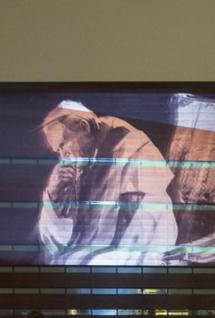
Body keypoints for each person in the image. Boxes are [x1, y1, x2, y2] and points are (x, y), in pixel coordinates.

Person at [37, 100, 178, 266]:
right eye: (57, 151)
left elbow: (145, 233)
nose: (63, 156)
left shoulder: (134, 149)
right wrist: (54, 193)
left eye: (63, 145)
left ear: (84, 127)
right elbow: (56, 242)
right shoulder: (75, 164)